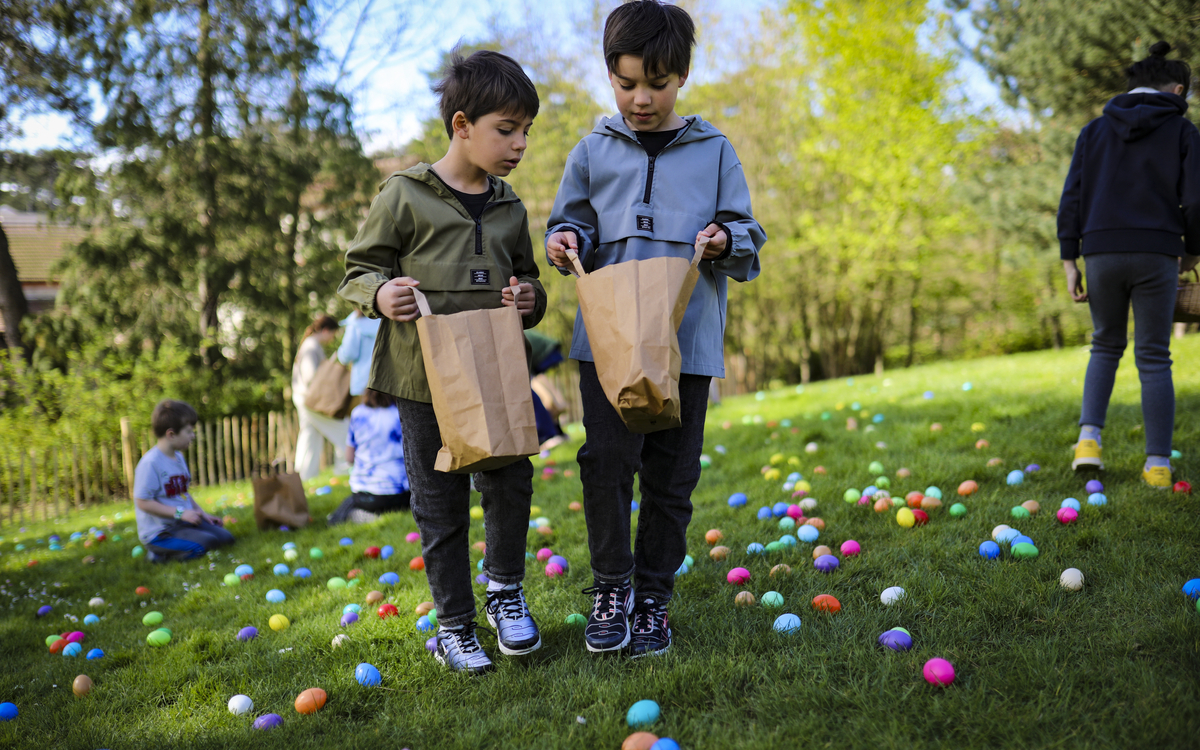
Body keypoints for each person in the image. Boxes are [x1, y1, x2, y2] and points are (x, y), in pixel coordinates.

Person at [545, 0, 766, 657]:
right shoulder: (590, 151)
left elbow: (749, 236)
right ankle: (612, 589)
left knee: (672, 478)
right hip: (608, 345)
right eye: (626, 83)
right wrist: (564, 239)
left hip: (685, 347)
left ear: (683, 76)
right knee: (605, 463)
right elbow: (569, 221)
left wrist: (727, 236)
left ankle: (653, 600)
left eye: (657, 84)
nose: (641, 99)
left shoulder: (715, 150)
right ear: (609, 75)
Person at [338, 50, 546, 674]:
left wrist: (530, 299)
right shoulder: (404, 195)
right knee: (440, 499)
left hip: (495, 370)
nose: (518, 144)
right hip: (421, 377)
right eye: (505, 130)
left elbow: (528, 281)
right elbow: (358, 269)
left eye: (525, 132)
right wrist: (380, 293)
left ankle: (505, 592)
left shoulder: (510, 208)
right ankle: (456, 625)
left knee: (509, 482)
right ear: (462, 126)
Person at [1059, 41, 1200, 488]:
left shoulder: (1093, 131)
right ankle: (1158, 466)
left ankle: (1088, 441)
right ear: (1178, 88)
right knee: (1154, 357)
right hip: (1157, 251)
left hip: (1100, 250)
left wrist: (1069, 258)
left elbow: (1072, 200)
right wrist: (1192, 250)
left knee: (1105, 345)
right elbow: (1196, 200)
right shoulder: (1183, 131)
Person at [134, 399, 234, 561]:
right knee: (204, 544)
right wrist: (180, 513)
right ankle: (157, 555)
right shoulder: (150, 463)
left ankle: (181, 542)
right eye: (188, 431)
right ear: (171, 434)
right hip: (161, 533)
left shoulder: (178, 457)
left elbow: (183, 493)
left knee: (226, 539)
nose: (192, 436)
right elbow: (142, 502)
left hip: (182, 523)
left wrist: (203, 514)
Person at [327, 388, 411, 525]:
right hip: (401, 494)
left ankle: (361, 516)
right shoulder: (399, 413)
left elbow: (349, 457)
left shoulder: (358, 414)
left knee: (343, 510)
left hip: (367, 496)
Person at [292, 314, 350, 481]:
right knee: (342, 429)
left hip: (303, 397)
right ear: (325, 331)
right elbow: (310, 376)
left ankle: (304, 476)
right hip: (310, 399)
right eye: (333, 334)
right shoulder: (311, 346)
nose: (332, 338)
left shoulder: (310, 344)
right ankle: (345, 467)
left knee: (310, 435)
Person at [337, 309, 382, 401]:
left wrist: (340, 352)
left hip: (363, 384)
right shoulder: (385, 317)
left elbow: (348, 354)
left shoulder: (355, 321)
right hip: (386, 383)